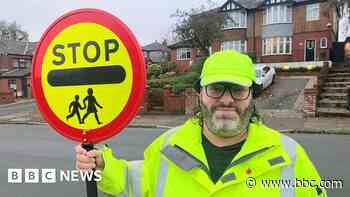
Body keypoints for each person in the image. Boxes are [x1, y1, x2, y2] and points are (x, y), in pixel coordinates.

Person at [75, 50, 327, 196]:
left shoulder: (290, 156)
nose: (226, 100)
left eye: (238, 90)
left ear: (252, 96)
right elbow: (131, 181)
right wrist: (102, 164)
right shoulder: (168, 147)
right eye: (216, 88)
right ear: (200, 94)